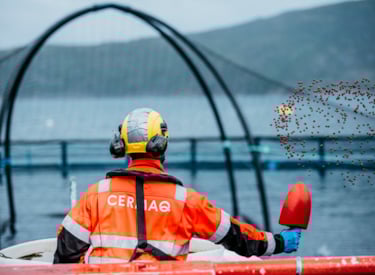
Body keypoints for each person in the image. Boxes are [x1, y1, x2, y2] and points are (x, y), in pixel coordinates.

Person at [53, 107, 301, 264]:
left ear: (121, 147)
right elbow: (239, 239)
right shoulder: (186, 201)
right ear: (162, 145)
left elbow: (65, 254)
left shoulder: (97, 195)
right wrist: (280, 242)